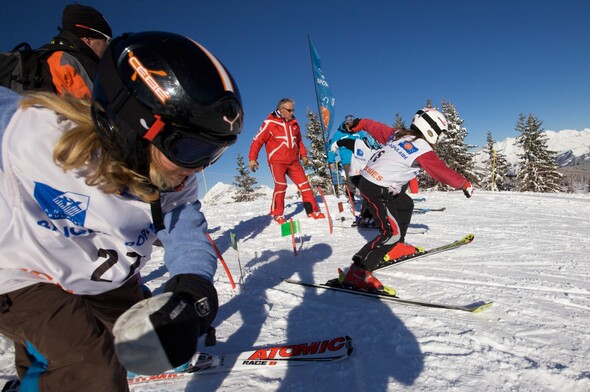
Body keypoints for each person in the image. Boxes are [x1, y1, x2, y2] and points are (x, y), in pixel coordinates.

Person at [0, 31, 243, 391]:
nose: (199, 168)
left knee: (144, 338)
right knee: (92, 370)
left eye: (214, 153)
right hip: (24, 275)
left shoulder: (173, 174)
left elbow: (182, 226)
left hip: (106, 278)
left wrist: (193, 285)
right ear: (133, 127)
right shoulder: (30, 136)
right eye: (190, 148)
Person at [339, 108, 473, 292]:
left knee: (405, 204)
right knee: (390, 232)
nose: (440, 138)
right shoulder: (423, 148)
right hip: (377, 187)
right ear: (431, 129)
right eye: (440, 133)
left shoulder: (399, 135)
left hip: (372, 181)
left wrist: (361, 123)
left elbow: (377, 128)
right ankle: (359, 271)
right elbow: (442, 171)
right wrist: (464, 184)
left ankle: (396, 246)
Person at [248, 98, 325, 224]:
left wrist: (303, 155)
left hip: (294, 161)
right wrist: (252, 158)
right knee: (281, 185)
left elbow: (299, 141)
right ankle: (277, 213)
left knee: (305, 186)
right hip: (277, 161)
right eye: (289, 110)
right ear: (281, 110)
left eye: (293, 110)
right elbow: (257, 140)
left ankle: (312, 211)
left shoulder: (294, 123)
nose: (292, 113)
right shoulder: (269, 123)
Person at [46, 3, 113, 99]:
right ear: (87, 40)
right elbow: (95, 109)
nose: (108, 48)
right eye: (108, 41)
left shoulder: (50, 57)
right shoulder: (75, 63)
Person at [327, 114, 376, 198]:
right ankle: (351, 197)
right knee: (351, 180)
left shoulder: (358, 132)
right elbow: (332, 147)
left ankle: (366, 197)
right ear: (345, 124)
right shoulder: (338, 134)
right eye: (348, 124)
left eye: (352, 124)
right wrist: (331, 160)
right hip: (347, 160)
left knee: (364, 178)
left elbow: (365, 143)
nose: (350, 127)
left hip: (360, 159)